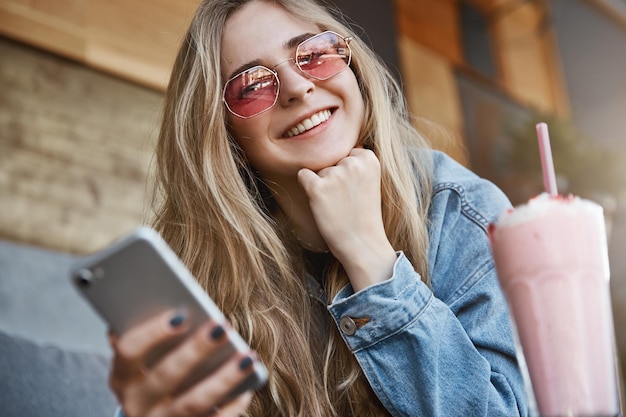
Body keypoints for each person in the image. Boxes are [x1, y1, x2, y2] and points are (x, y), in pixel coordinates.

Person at [108, 0, 530, 416]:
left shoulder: (460, 210)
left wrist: (370, 257)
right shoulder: (202, 270)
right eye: (252, 85)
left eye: (313, 54)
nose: (297, 87)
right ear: (225, 136)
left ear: (354, 71)